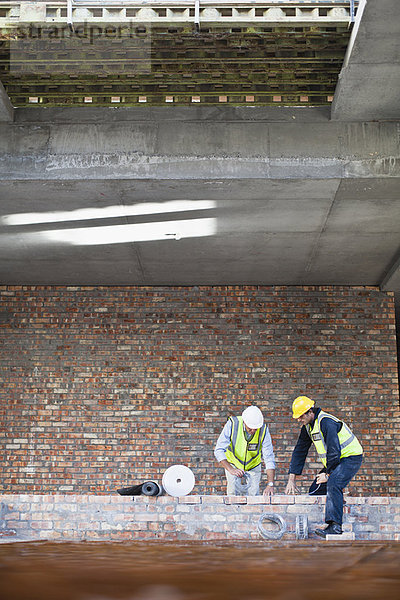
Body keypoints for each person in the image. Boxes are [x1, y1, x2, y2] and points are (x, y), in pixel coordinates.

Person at [285, 395, 363, 538]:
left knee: (333, 483)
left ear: (310, 412)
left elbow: (334, 451)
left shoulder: (326, 422)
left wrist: (328, 475)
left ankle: (335, 526)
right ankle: (335, 503)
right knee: (315, 489)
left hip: (351, 457)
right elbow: (299, 451)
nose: (298, 420)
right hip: (336, 461)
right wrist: (291, 479)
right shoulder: (308, 427)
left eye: (301, 416)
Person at [214, 405, 275, 497]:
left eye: (256, 428)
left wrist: (270, 484)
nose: (253, 431)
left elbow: (269, 457)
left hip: (253, 465)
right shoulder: (233, 424)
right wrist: (231, 469)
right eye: (250, 428)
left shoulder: (263, 430)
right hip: (233, 463)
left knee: (254, 496)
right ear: (244, 422)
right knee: (232, 495)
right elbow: (219, 450)